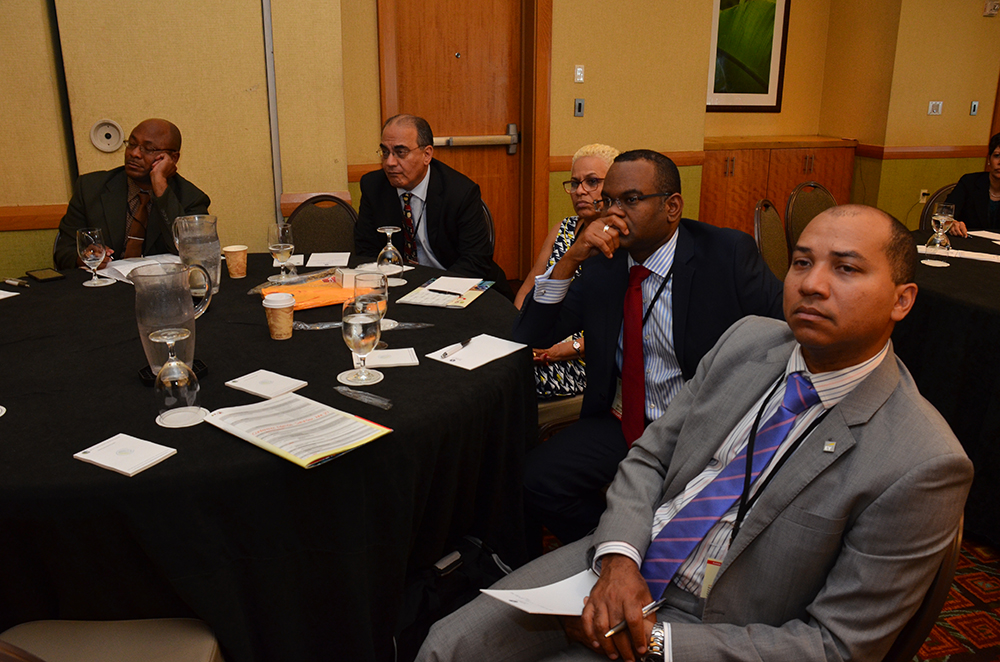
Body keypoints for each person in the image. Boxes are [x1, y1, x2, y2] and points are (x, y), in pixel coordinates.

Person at [417, 204, 973, 662]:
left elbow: (837, 648)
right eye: (802, 262)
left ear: (902, 299)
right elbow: (649, 458)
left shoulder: (921, 461)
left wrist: (656, 641)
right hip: (627, 557)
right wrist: (618, 560)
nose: (812, 284)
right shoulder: (748, 341)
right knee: (447, 645)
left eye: (846, 269)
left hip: (722, 626)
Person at [513, 149, 783, 545]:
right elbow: (531, 334)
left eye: (631, 200)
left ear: (672, 207)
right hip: (625, 422)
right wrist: (571, 259)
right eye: (609, 201)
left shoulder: (725, 254)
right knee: (534, 480)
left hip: (704, 428)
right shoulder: (603, 262)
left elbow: (786, 331)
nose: (614, 212)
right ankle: (608, 545)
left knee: (703, 515)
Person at [355, 114, 509, 294]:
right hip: (400, 286)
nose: (390, 162)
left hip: (454, 283)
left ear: (427, 154)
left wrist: (431, 292)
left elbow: (475, 260)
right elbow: (366, 250)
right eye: (386, 152)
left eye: (400, 152)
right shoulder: (373, 186)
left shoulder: (460, 192)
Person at [516, 144, 620, 399]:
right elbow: (530, 286)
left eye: (592, 182)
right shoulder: (563, 228)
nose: (580, 191)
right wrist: (520, 331)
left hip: (584, 356)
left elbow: (617, 329)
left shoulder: (619, 240)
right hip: (541, 336)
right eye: (575, 183)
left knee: (511, 380)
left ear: (615, 186)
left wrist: (560, 350)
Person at [53, 118, 210, 270]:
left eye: (149, 149)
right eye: (132, 144)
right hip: (104, 284)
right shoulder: (90, 188)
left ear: (173, 158)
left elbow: (195, 254)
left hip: (161, 283)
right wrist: (85, 257)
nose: (134, 153)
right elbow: (63, 252)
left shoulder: (192, 198)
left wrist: (160, 186)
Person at [947, 131, 1000, 236]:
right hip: (967, 242)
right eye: (997, 156)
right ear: (989, 159)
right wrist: (951, 223)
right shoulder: (969, 182)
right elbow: (944, 214)